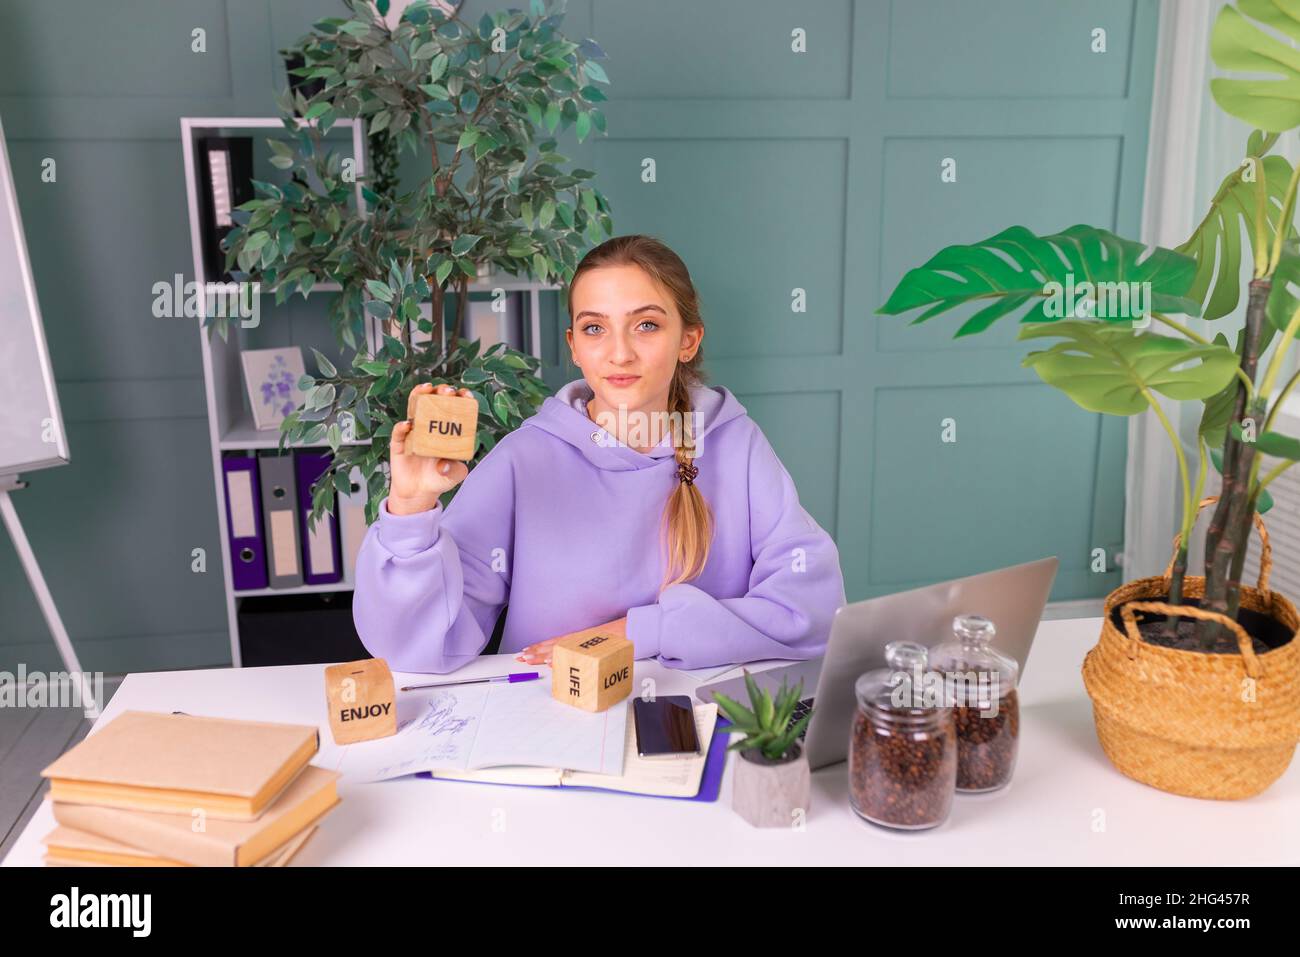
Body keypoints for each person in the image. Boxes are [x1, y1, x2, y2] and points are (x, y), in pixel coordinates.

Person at [352, 234, 846, 673]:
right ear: (573, 345)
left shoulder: (735, 445)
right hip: (555, 720)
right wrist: (411, 509)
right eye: (594, 328)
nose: (619, 353)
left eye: (647, 325)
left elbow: (813, 609)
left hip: (698, 718)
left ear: (688, 340)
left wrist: (635, 634)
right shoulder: (525, 460)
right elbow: (420, 648)